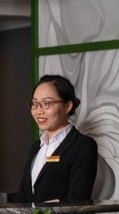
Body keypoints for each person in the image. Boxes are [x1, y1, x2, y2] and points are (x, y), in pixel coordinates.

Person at [15, 75, 97, 203]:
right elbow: (23, 196)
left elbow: (77, 199)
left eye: (46, 103)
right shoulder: (37, 146)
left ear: (67, 106)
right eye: (35, 104)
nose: (38, 111)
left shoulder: (83, 145)